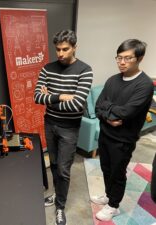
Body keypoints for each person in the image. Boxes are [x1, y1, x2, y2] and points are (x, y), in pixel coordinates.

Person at [34, 30, 93, 225]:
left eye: (65, 49)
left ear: (75, 47)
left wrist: (49, 97)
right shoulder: (47, 68)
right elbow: (37, 97)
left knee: (64, 170)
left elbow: (77, 105)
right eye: (57, 49)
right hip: (50, 124)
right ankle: (57, 195)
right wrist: (60, 96)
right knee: (55, 165)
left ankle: (60, 206)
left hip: (69, 128)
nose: (60, 53)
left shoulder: (85, 70)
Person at [91, 39, 154, 221]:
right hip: (105, 134)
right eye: (119, 58)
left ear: (139, 58)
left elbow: (127, 112)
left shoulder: (144, 85)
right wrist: (110, 116)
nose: (122, 62)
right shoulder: (112, 80)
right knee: (105, 168)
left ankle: (113, 206)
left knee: (117, 173)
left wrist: (108, 109)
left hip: (123, 139)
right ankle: (109, 196)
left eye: (127, 58)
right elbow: (98, 106)